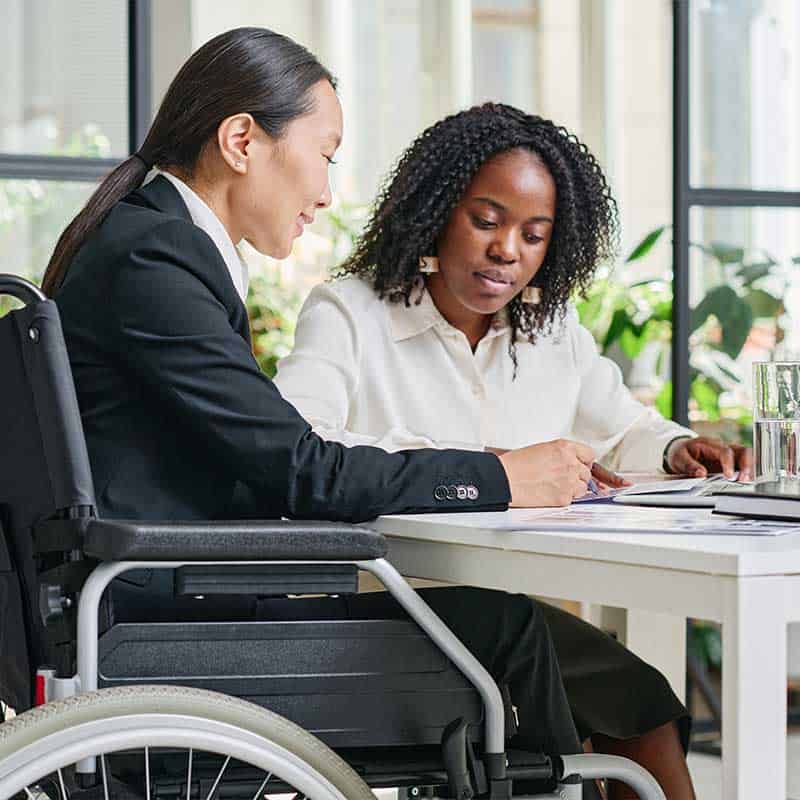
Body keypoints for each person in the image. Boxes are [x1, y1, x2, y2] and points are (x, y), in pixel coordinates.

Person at [43, 27, 615, 799]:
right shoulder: (158, 260)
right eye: (325, 154)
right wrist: (497, 476)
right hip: (164, 632)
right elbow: (301, 472)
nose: (326, 191)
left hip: (146, 607)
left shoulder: (148, 240)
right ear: (242, 140)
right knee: (506, 629)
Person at [275, 104, 754, 798]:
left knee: (641, 701)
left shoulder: (549, 329)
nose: (508, 251)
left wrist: (679, 448)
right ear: (438, 210)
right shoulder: (352, 311)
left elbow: (619, 428)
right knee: (547, 688)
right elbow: (301, 438)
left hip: (505, 612)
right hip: (389, 609)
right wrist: (483, 468)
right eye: (487, 221)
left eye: (534, 235)